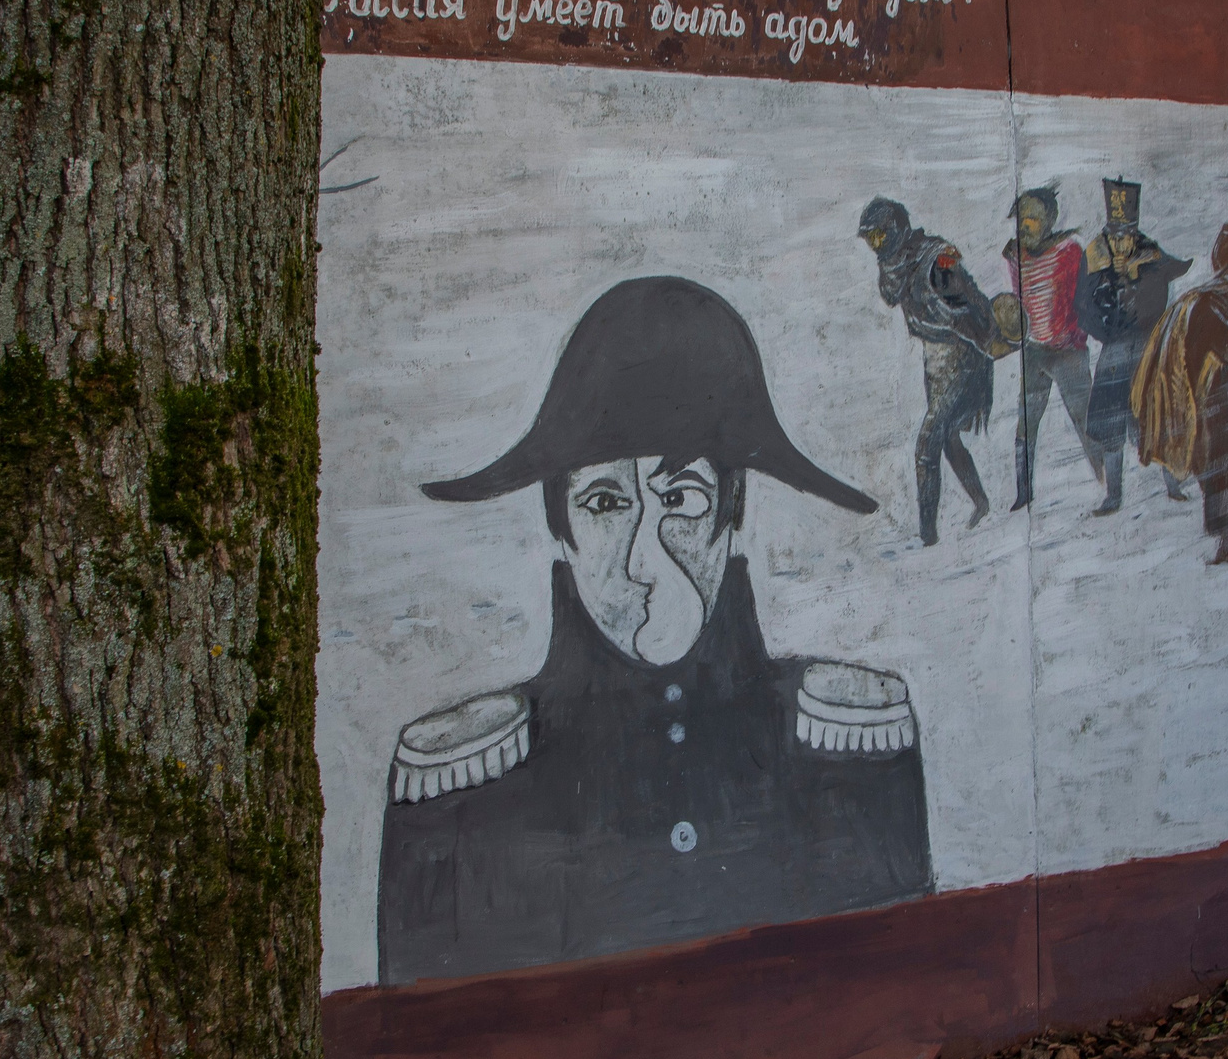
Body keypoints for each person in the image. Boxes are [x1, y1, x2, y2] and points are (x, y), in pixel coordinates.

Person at [377, 276, 934, 984]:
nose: (645, 561)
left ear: (732, 517)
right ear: (561, 529)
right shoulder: (464, 795)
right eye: (607, 502)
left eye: (681, 497)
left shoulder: (842, 748)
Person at [1132, 221, 1228, 564]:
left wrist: (1201, 393)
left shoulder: (1207, 302)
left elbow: (1189, 358)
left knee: (1223, 468)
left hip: (1222, 400)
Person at [859, 197, 996, 545]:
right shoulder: (895, 266)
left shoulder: (937, 258)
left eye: (879, 236)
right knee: (947, 437)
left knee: (927, 444)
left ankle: (928, 537)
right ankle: (980, 502)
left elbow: (969, 302)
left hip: (961, 354)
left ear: (895, 229)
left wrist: (987, 338)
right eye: (871, 239)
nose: (877, 245)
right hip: (934, 356)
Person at [1077, 178, 1189, 512]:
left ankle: (1173, 484)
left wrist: (1140, 290)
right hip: (1114, 348)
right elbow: (1082, 305)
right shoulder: (1096, 253)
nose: (1123, 238)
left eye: (1128, 230)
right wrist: (1108, 323)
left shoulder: (1149, 249)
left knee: (1156, 413)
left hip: (1146, 345)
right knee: (1112, 421)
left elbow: (1166, 278)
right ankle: (1114, 496)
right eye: (1117, 231)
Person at [1004, 185, 1094, 510]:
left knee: (1085, 420)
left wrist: (1071, 334)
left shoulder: (1069, 251)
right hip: (1034, 352)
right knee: (1026, 422)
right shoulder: (1015, 255)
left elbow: (1083, 300)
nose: (1024, 225)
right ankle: (1023, 491)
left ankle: (1105, 480)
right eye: (1021, 218)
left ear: (1047, 221)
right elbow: (1019, 305)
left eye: (1032, 218)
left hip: (1067, 352)